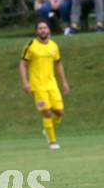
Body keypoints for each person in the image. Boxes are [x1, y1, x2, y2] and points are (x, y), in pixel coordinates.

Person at [19, 20, 70, 150]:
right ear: (36, 31)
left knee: (59, 112)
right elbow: (23, 64)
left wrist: (64, 82)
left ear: (49, 30)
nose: (43, 30)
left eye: (45, 28)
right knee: (46, 112)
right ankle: (52, 141)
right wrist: (25, 82)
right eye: (40, 28)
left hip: (52, 85)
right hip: (37, 86)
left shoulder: (54, 46)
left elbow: (58, 64)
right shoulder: (30, 45)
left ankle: (48, 129)